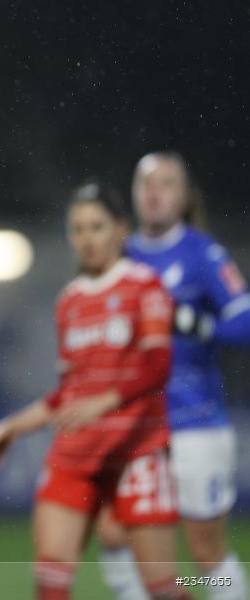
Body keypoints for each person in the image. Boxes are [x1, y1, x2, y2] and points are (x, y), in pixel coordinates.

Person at [0, 182, 193, 600]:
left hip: (137, 454)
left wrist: (104, 402)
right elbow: (66, 395)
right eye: (78, 229)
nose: (87, 238)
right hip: (76, 457)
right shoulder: (70, 302)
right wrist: (10, 428)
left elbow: (156, 365)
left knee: (165, 587)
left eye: (96, 226)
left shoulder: (143, 286)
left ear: (121, 230)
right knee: (50, 580)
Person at [95, 152, 250, 600]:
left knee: (205, 555)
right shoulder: (118, 255)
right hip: (135, 426)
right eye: (146, 183)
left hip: (195, 423)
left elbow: (244, 320)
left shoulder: (203, 253)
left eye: (166, 183)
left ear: (183, 197)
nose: (154, 192)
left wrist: (202, 325)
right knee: (113, 536)